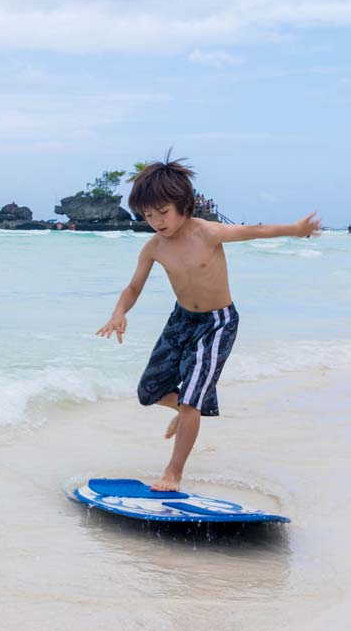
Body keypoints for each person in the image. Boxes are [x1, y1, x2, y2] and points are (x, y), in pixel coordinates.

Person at [96, 157, 321, 491]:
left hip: (217, 323)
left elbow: (255, 231)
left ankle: (173, 470)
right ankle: (190, 409)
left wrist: (295, 230)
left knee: (190, 401)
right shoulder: (154, 248)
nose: (156, 221)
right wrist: (119, 312)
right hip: (181, 321)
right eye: (148, 215)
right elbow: (133, 287)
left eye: (163, 212)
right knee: (149, 390)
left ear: (183, 204)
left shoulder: (208, 233)